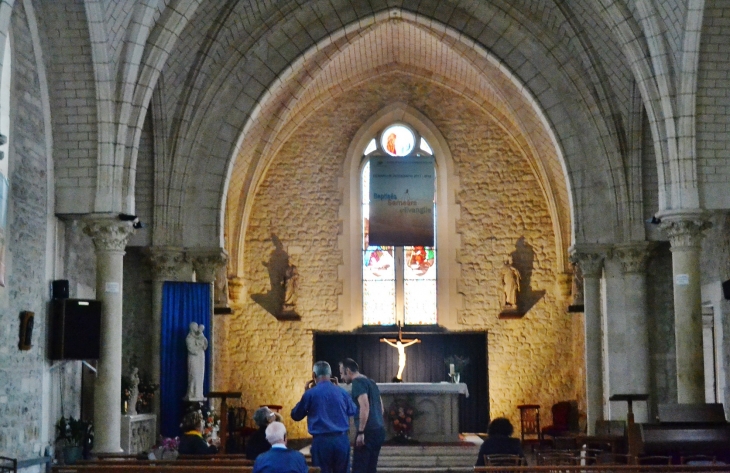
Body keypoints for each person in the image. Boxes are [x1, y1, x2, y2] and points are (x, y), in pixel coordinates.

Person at [291, 361, 357, 473]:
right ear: (330, 375)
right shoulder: (342, 392)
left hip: (321, 442)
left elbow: (296, 415)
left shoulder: (310, 394)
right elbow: (353, 410)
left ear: (313, 376)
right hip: (341, 440)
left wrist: (305, 393)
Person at [339, 358, 386, 473]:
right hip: (379, 430)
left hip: (367, 432)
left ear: (348, 371)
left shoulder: (358, 383)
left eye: (341, 373)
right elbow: (382, 408)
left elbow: (364, 406)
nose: (341, 377)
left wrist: (361, 432)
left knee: (359, 468)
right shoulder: (371, 382)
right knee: (371, 468)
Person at [185, 322, 208, 401]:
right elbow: (192, 349)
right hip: (193, 359)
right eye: (195, 327)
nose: (196, 329)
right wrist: (199, 346)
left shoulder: (200, 336)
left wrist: (200, 335)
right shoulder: (189, 338)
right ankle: (192, 392)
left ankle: (199, 393)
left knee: (200, 376)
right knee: (193, 375)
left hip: (200, 359)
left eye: (197, 327)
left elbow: (205, 344)